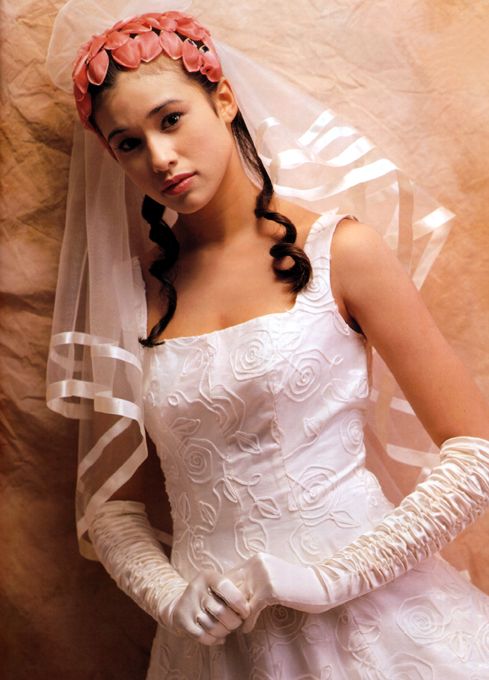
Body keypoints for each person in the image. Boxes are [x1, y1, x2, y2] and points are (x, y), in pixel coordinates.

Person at [46, 1, 489, 677]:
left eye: (171, 119)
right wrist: (171, 598)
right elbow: (111, 506)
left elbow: (476, 452)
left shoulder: (342, 252)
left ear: (222, 100)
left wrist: (329, 577)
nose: (160, 157)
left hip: (373, 623)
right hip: (215, 651)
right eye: (128, 143)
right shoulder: (135, 298)